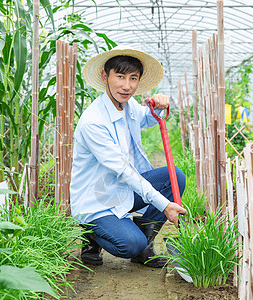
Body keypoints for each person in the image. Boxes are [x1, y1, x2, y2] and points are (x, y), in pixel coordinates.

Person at [70, 46, 187, 268]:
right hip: (97, 199)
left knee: (175, 177)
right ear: (105, 76)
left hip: (122, 190)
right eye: (120, 76)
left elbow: (148, 118)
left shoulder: (129, 105)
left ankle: (144, 247)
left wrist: (157, 106)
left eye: (133, 78)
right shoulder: (93, 122)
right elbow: (124, 172)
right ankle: (92, 234)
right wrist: (165, 206)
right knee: (129, 244)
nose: (127, 85)